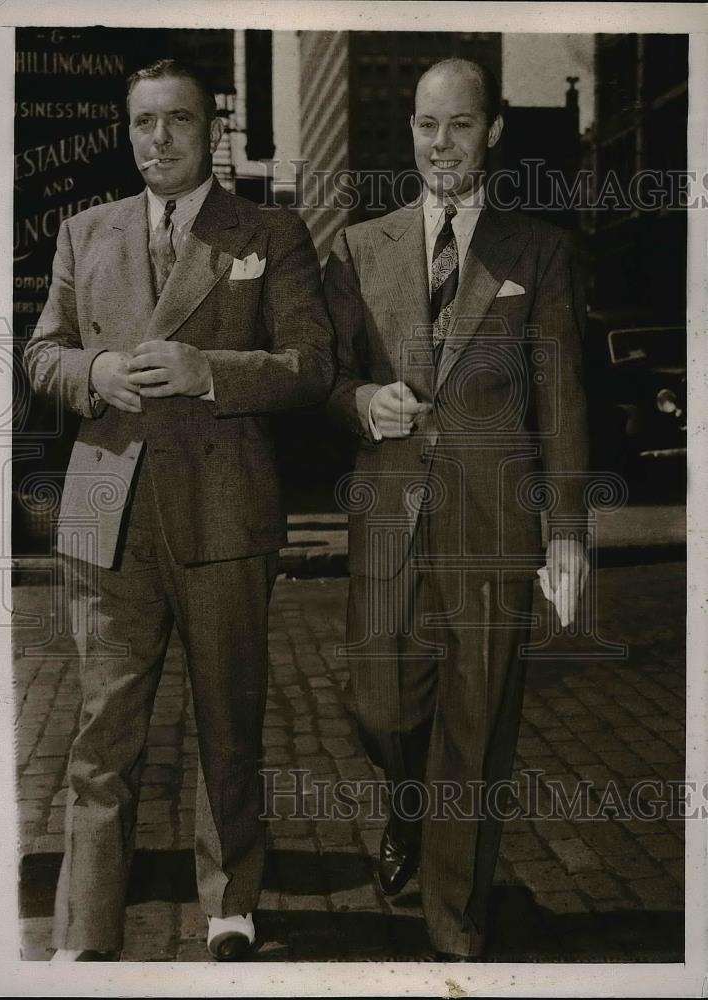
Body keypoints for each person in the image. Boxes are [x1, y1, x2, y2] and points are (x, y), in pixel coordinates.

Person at [24, 58, 334, 962]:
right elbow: (41, 355)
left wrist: (212, 373)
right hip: (104, 514)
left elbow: (311, 365)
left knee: (229, 718)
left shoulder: (271, 232)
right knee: (101, 728)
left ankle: (230, 903)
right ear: (128, 132)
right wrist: (95, 373)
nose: (158, 140)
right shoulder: (85, 233)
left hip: (224, 515)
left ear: (212, 131)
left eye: (178, 122)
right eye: (143, 123)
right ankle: (85, 928)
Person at [324, 58, 590, 960]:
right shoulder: (360, 247)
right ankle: (405, 800)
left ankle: (455, 927)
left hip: (493, 527)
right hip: (388, 519)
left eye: (462, 127)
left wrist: (565, 534)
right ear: (410, 130)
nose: (443, 145)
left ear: (493, 132)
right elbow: (323, 376)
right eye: (428, 126)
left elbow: (560, 401)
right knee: (381, 705)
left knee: (475, 731)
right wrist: (361, 399)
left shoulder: (537, 249)